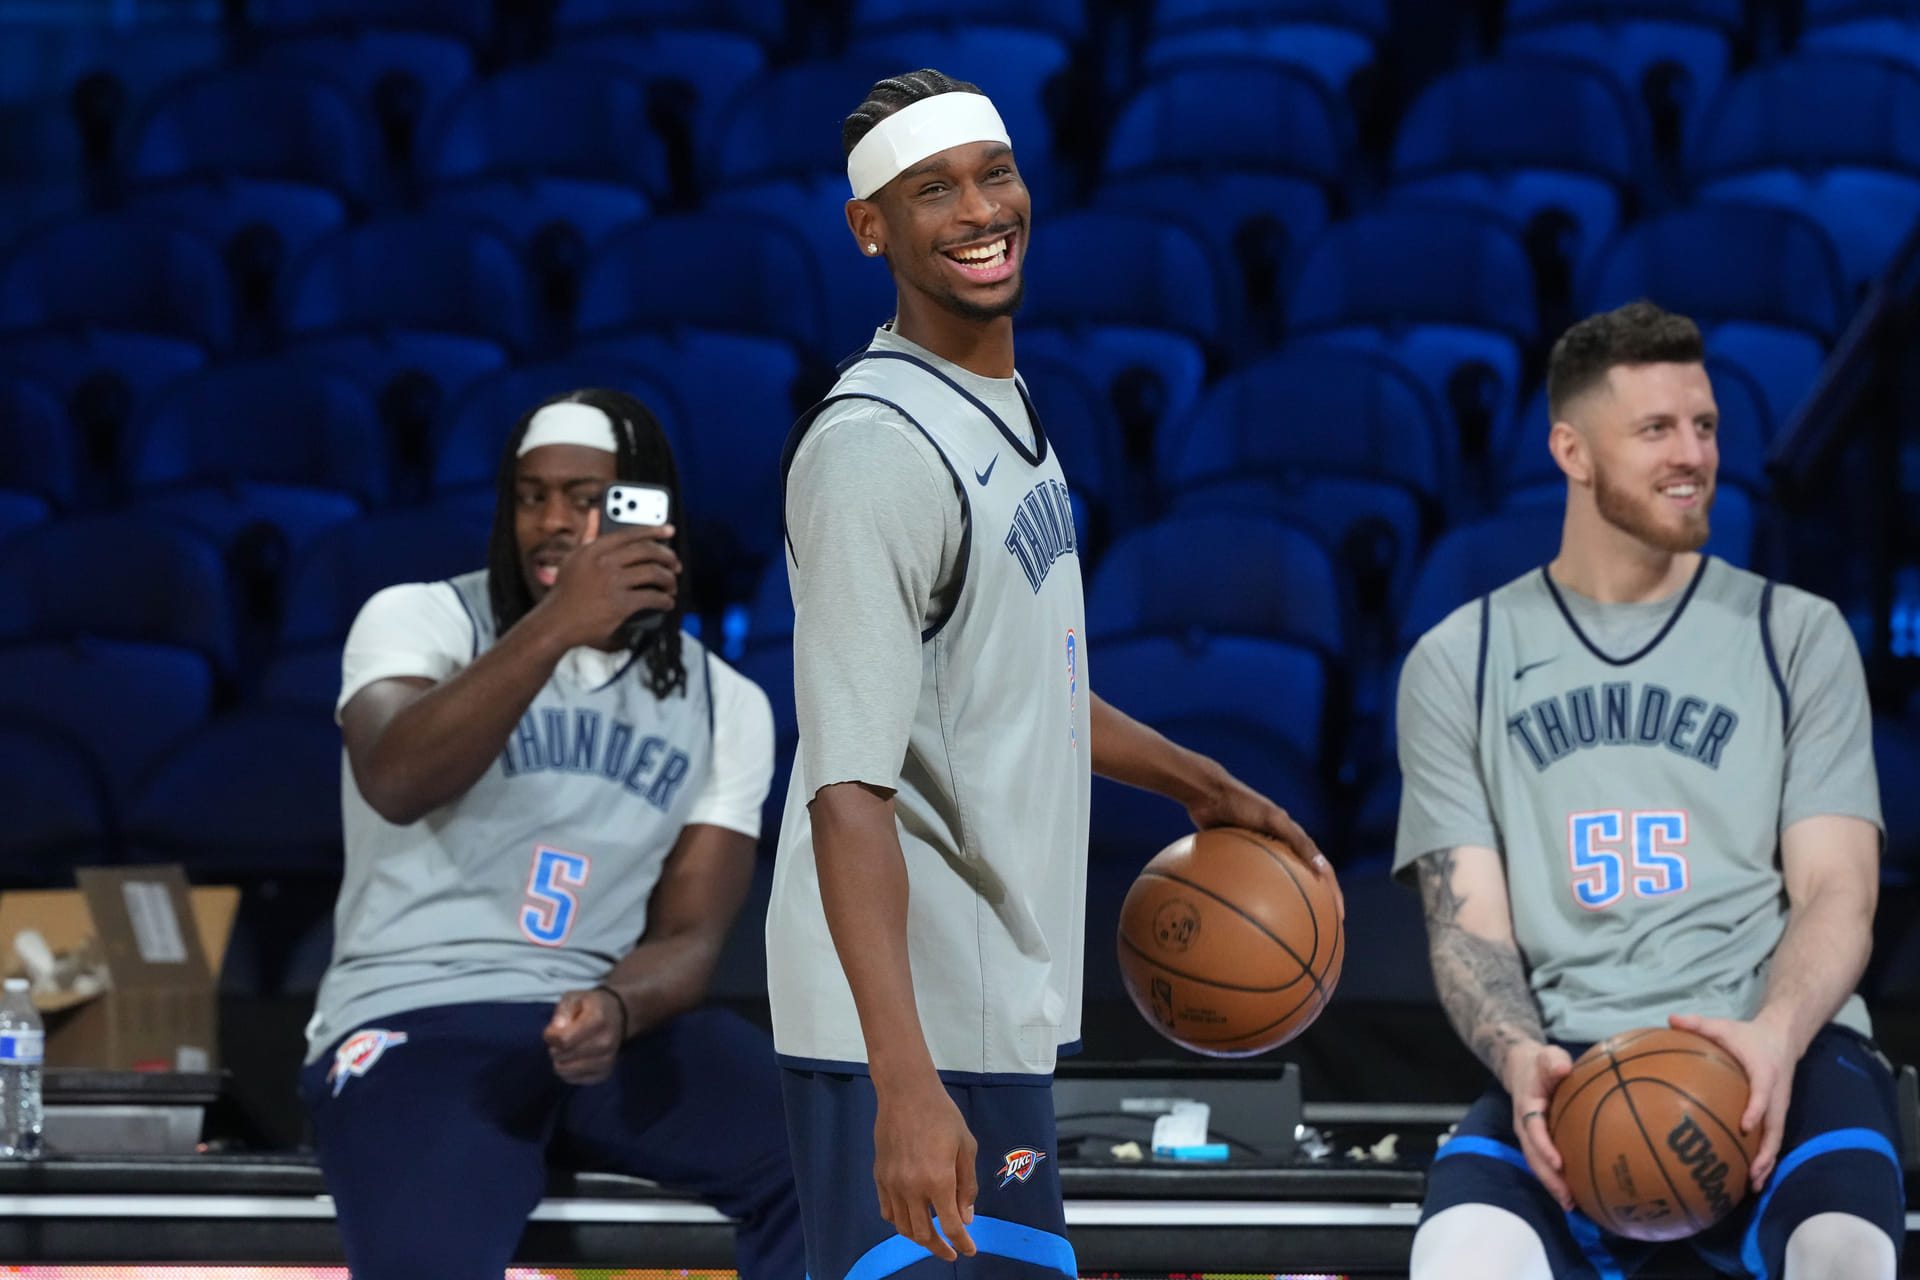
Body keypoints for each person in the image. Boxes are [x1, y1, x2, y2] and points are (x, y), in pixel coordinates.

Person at [765, 69, 1337, 1280]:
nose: (979, 209)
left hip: (984, 1007)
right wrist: (904, 1084)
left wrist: (1199, 781)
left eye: (994, 174)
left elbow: (1011, 685)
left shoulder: (998, 400)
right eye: (933, 190)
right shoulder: (876, 451)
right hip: (909, 1027)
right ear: (871, 229)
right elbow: (846, 789)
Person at [1394, 301, 1902, 1280]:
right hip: (1575, 1056)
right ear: (1572, 451)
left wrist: (1776, 1034)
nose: (1694, 455)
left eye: (1705, 426)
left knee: (1845, 1251)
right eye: (1657, 429)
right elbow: (1467, 925)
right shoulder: (1461, 658)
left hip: (1784, 1043)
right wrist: (1516, 1056)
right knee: (1459, 1255)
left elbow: (1841, 889)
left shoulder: (1795, 634)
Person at [301, 388, 802, 1280]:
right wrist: (559, 626)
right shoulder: (421, 620)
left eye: (585, 497)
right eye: (532, 496)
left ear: (648, 509)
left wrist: (617, 1007)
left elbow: (689, 938)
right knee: (432, 1260)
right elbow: (397, 777)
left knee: (830, 1150)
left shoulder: (729, 706)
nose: (552, 522)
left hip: (598, 1024)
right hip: (416, 1017)